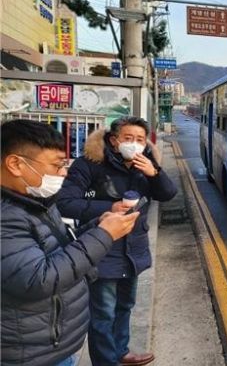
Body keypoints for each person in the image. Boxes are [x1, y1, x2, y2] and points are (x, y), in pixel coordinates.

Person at [1, 119, 139, 366]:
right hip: (28, 353)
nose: (63, 173)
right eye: (57, 165)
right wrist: (104, 235)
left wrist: (96, 226)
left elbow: (58, 245)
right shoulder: (6, 215)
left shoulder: (34, 200)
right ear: (15, 164)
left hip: (47, 343)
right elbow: (39, 279)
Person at [57, 116, 177, 366]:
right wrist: (108, 207)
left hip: (133, 249)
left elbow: (168, 194)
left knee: (125, 305)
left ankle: (121, 351)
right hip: (101, 249)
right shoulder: (89, 164)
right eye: (128, 138)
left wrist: (154, 173)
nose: (134, 144)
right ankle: (106, 361)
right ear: (114, 140)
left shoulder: (146, 164)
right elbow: (65, 202)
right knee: (103, 313)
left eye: (140, 139)